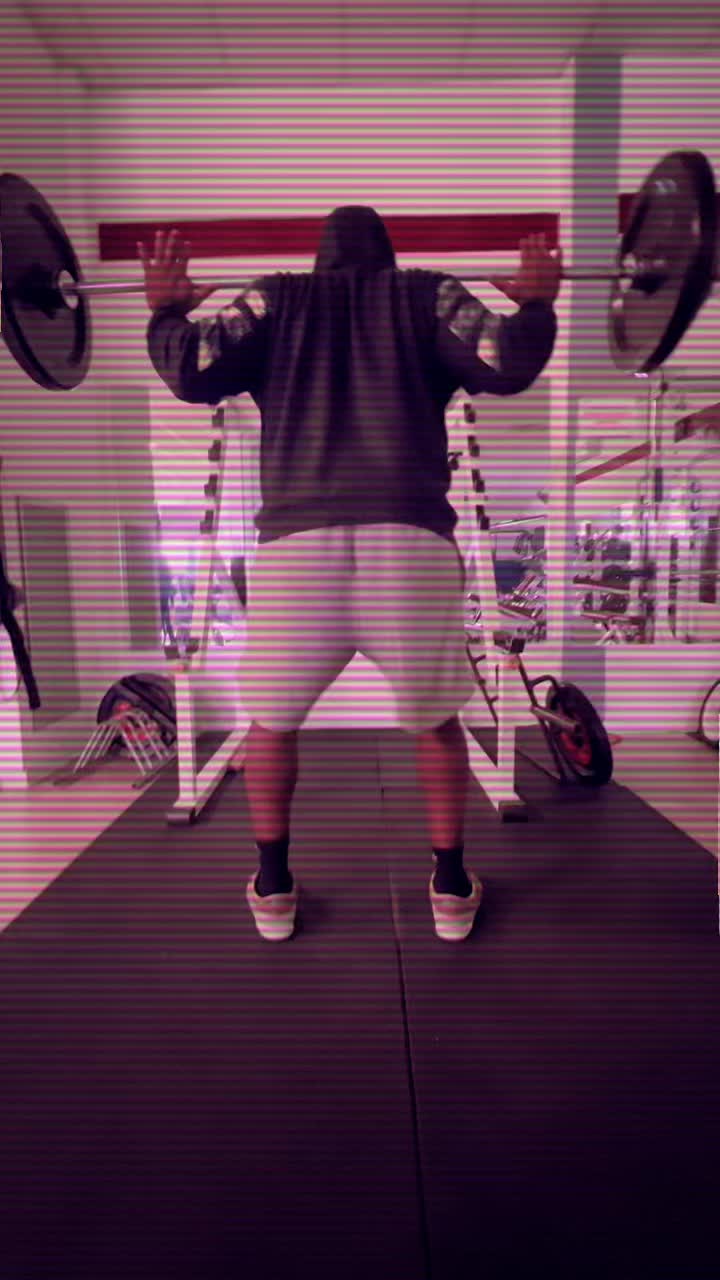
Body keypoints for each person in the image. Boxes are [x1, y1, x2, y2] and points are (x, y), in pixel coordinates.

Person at [139, 208, 561, 943]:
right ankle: (451, 890)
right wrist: (536, 303)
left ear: (320, 257)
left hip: (297, 552)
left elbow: (191, 368)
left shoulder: (273, 297)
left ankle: (273, 890)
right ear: (388, 256)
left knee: (270, 724)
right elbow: (508, 361)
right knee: (437, 720)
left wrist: (166, 311)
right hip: (411, 546)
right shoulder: (428, 293)